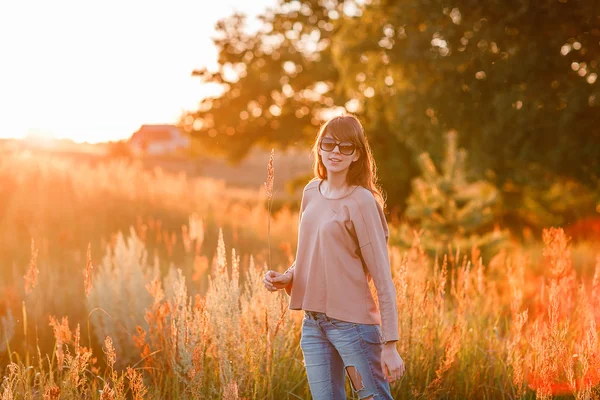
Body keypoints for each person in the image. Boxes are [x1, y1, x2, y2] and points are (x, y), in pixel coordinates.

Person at [262, 114, 405, 399]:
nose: (335, 152)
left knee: (372, 398)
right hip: (313, 324)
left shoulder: (362, 202)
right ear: (320, 148)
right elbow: (310, 252)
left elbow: (382, 278)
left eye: (345, 147)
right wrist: (287, 276)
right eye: (329, 144)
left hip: (353, 328)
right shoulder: (311, 191)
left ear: (357, 155)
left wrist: (390, 344)